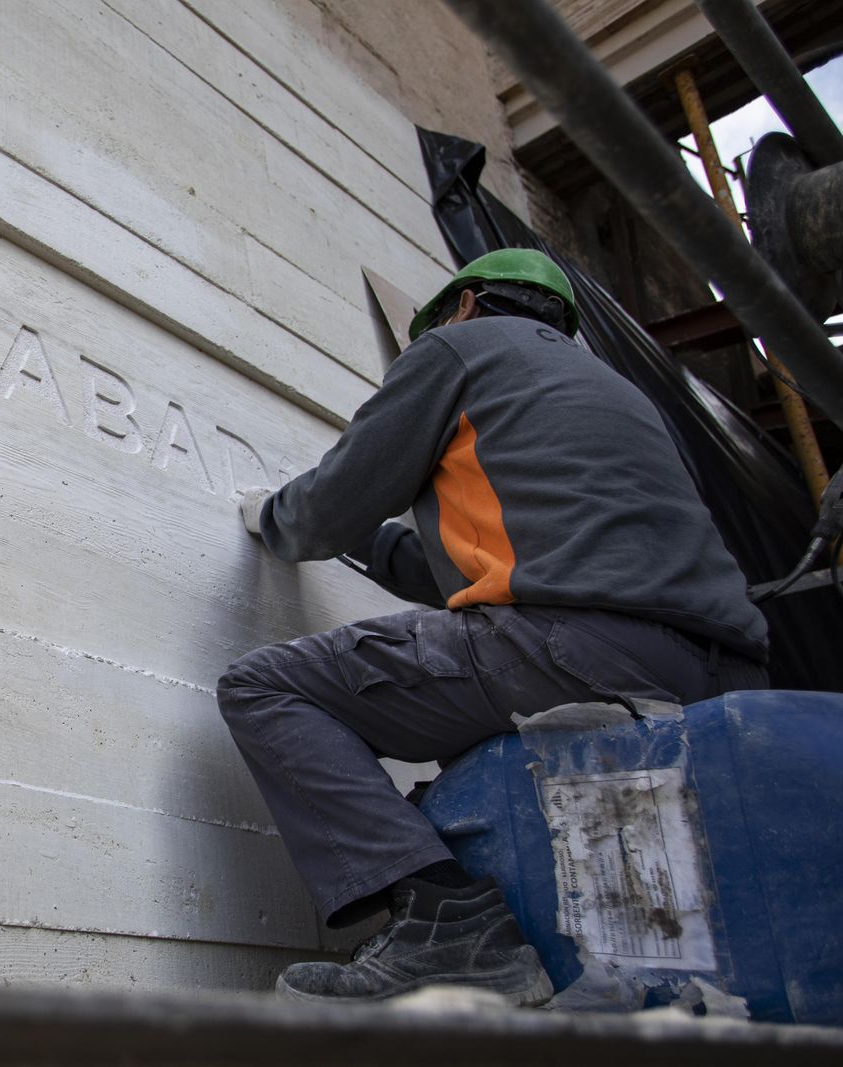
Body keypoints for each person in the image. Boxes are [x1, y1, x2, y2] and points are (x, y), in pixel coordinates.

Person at [218, 248, 769, 1005]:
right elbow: (469, 562)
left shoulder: (458, 349)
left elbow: (332, 502)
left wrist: (275, 515)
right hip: (720, 676)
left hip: (572, 648)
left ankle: (450, 927)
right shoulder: (619, 396)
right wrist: (367, 547)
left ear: (467, 304)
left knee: (266, 686)